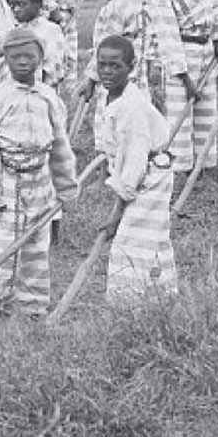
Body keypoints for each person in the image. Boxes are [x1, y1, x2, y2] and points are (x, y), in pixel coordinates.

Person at [0, 28, 81, 316]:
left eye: (29, 56)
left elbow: (60, 146)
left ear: (41, 58)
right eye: (16, 57)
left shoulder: (49, 98)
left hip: (40, 181)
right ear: (6, 60)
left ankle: (33, 305)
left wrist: (66, 185)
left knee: (36, 245)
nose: (23, 62)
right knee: (1, 247)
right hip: (6, 180)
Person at [90, 35, 177, 302]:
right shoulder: (112, 98)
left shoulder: (131, 107)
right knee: (150, 238)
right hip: (141, 171)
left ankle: (127, 305)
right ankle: (159, 298)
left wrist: (117, 211)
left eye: (115, 66)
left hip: (149, 176)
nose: (107, 71)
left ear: (131, 67)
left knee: (129, 240)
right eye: (102, 64)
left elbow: (134, 162)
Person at [145, 0, 218, 175]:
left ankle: (205, 164)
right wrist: (184, 77)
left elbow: (215, 5)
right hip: (182, 51)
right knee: (181, 111)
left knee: (207, 108)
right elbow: (167, 35)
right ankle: (180, 168)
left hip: (205, 49)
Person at [83, 0, 149, 153]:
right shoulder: (119, 4)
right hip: (127, 72)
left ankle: (113, 165)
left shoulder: (117, 8)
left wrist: (90, 79)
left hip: (116, 74)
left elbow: (108, 50)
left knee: (115, 120)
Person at [4, 0, 69, 89]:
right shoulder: (15, 32)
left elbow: (55, 69)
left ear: (38, 4)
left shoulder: (50, 31)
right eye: (12, 6)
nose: (16, 10)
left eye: (21, 4)